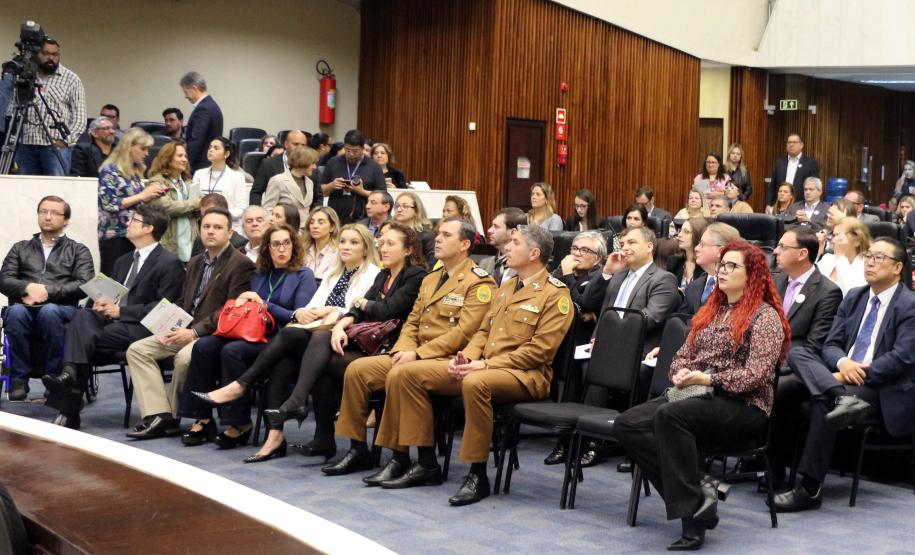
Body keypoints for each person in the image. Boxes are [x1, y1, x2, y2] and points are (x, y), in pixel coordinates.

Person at [374, 225, 572, 505]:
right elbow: (482, 332)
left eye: (515, 243)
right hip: (486, 366)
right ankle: (426, 463)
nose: (507, 247)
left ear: (534, 253)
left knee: (475, 382)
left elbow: (539, 352)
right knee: (406, 373)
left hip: (526, 376)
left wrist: (485, 365)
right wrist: (467, 357)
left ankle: (477, 474)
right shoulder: (506, 287)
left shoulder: (555, 295)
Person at [616, 241, 790, 551]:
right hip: (696, 393)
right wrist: (681, 374)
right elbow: (682, 355)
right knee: (627, 424)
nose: (723, 270)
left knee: (670, 417)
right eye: (722, 265)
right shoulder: (713, 310)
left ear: (752, 275)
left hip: (743, 405)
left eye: (732, 266)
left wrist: (709, 378)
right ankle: (701, 489)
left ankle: (693, 522)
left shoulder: (765, 317)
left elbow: (756, 376)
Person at [321, 219, 494, 480]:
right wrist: (402, 350)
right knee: (357, 370)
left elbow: (464, 333)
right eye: (437, 234)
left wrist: (417, 354)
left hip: (446, 359)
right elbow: (412, 322)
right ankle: (358, 449)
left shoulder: (479, 282)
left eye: (446, 235)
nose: (437, 239)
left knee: (400, 375)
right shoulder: (431, 278)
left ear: (465, 244)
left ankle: (406, 458)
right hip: (414, 352)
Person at [193, 224, 380, 462]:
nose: (346, 246)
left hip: (344, 338)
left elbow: (358, 310)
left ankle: (247, 386)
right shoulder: (334, 273)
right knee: (282, 363)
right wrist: (313, 312)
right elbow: (311, 307)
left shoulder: (372, 273)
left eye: (354, 242)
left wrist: (327, 311)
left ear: (365, 249)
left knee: (289, 337)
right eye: (343, 241)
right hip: (317, 335)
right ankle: (282, 437)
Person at [260, 223, 427, 459]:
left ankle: (304, 409)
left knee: (318, 352)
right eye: (383, 243)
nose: (384, 248)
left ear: (408, 250)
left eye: (390, 244)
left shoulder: (415, 275)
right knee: (320, 359)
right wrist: (341, 324)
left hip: (391, 346)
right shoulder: (383, 274)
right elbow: (358, 311)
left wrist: (361, 305)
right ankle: (330, 440)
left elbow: (388, 309)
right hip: (368, 340)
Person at [773, 237, 915, 513]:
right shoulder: (855, 296)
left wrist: (853, 373)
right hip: (839, 376)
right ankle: (773, 469)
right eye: (869, 256)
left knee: (822, 401)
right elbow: (831, 344)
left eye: (879, 258)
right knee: (794, 362)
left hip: (881, 385)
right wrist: (841, 364)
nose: (870, 262)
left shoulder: (909, 305)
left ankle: (810, 488)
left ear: (898, 267)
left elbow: (902, 358)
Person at [41, 205, 184, 428]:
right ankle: (69, 378)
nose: (127, 223)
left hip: (140, 328)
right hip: (110, 324)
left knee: (80, 337)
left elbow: (163, 307)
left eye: (133, 220)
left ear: (148, 228)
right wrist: (102, 302)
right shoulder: (123, 260)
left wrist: (121, 311)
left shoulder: (169, 262)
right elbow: (112, 293)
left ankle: (68, 404)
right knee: (83, 317)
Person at [178, 224, 317, 447]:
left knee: (231, 351)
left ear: (294, 246)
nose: (282, 249)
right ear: (267, 249)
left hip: (278, 340)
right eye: (276, 244)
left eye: (286, 243)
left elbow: (297, 316)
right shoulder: (260, 274)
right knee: (204, 346)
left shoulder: (303, 275)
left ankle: (239, 423)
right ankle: (202, 417)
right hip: (248, 331)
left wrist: (264, 304)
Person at [124, 207, 255, 439]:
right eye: (206, 227)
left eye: (217, 227)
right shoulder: (195, 261)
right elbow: (185, 302)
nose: (211, 232)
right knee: (138, 350)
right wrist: (168, 327)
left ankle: (174, 416)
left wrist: (193, 332)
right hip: (184, 329)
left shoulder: (240, 263)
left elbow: (230, 311)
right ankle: (159, 415)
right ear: (199, 230)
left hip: (213, 334)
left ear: (230, 233)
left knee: (184, 359)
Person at [0, 196, 94, 401]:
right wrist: (27, 288)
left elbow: (84, 284)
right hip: (23, 307)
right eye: (43, 212)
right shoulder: (21, 247)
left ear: (66, 220)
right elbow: (4, 279)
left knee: (49, 311)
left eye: (54, 213)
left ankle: (54, 378)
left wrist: (45, 292)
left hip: (61, 308)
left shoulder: (78, 250)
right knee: (14, 313)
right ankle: (18, 380)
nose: (48, 217)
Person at [582, 225, 680, 391]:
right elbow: (588, 302)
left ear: (649, 247)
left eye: (631, 243)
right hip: (601, 350)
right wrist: (606, 271)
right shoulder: (617, 275)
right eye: (622, 244)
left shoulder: (663, 279)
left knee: (599, 370)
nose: (625, 248)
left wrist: (608, 340)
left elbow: (649, 319)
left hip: (636, 352)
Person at [97, 128, 168, 275]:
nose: (147, 154)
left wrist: (150, 196)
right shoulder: (110, 171)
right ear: (129, 147)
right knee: (110, 282)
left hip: (132, 235)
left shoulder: (133, 174)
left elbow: (133, 203)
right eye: (143, 149)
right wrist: (143, 195)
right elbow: (110, 204)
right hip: (115, 236)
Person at [12, 37, 86, 176]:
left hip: (55, 148)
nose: (51, 58)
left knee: (55, 192)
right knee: (26, 192)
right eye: (46, 53)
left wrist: (65, 141)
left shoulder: (72, 79)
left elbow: (80, 118)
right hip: (26, 145)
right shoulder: (26, 76)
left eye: (55, 54)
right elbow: (14, 107)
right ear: (37, 54)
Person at [146, 140, 200, 262]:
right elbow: (168, 207)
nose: (185, 159)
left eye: (185, 156)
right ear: (168, 158)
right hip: (169, 244)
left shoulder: (188, 182)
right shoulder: (156, 182)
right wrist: (195, 204)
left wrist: (196, 206)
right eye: (180, 156)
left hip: (191, 243)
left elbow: (201, 206)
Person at [321, 129, 386, 224]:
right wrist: (332, 185)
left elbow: (383, 196)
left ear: (363, 148)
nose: (351, 154)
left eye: (355, 151)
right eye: (348, 150)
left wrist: (361, 191)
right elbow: (320, 191)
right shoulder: (333, 162)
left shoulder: (373, 167)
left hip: (363, 219)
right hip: (335, 218)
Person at [552, 230, 606, 346]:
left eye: (585, 250)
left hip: (579, 340)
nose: (577, 253)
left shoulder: (599, 278)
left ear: (597, 259)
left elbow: (582, 305)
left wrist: (567, 275)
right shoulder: (561, 271)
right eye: (574, 248)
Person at [676, 222, 740, 316]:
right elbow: (679, 319)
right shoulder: (693, 287)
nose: (696, 248)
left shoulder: (735, 287)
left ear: (721, 251)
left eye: (702, 244)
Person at [191, 137, 247, 233]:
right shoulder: (199, 174)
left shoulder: (237, 177)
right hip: (202, 226)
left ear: (226, 154)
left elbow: (242, 209)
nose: (211, 150)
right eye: (210, 147)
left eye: (216, 148)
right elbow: (192, 201)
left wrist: (217, 212)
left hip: (228, 226)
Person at [262, 146, 324, 230]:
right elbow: (268, 209)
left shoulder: (310, 183)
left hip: (306, 232)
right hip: (285, 231)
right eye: (312, 163)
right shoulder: (278, 180)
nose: (315, 167)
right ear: (303, 162)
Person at [180, 71, 224, 172]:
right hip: (208, 164)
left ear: (194, 88)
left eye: (186, 92)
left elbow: (196, 140)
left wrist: (185, 163)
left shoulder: (203, 109)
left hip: (199, 166)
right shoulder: (212, 105)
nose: (185, 96)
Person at [250, 130, 308, 205]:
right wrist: (257, 213)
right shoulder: (268, 164)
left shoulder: (310, 166)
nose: (300, 148)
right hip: (275, 213)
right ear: (286, 144)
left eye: (303, 145)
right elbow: (256, 193)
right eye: (296, 144)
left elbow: (318, 197)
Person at [816, 217, 870, 296]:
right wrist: (817, 254)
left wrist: (841, 257)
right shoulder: (827, 258)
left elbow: (852, 297)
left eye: (839, 236)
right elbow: (808, 284)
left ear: (858, 240)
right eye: (833, 235)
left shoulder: (866, 266)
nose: (833, 240)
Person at [478, 207, 526, 285]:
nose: (489, 230)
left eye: (496, 227)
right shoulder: (484, 264)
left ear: (513, 232)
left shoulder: (526, 265)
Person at [772, 133, 820, 202]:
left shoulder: (810, 163)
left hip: (800, 204)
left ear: (801, 145)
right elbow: (773, 184)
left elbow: (815, 185)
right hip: (781, 203)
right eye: (789, 142)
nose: (791, 145)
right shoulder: (780, 162)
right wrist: (768, 203)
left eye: (794, 142)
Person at [667, 217, 709, 290]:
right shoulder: (673, 261)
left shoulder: (706, 266)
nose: (679, 234)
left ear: (698, 236)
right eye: (680, 231)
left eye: (686, 232)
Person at [393, 191, 435, 263]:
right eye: (397, 206)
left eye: (405, 206)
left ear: (416, 211)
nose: (399, 210)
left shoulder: (426, 236)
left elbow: (431, 264)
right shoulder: (390, 231)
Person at [303, 207, 342, 279]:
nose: (315, 226)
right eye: (311, 222)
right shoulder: (302, 250)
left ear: (332, 227)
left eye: (321, 223)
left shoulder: (339, 252)